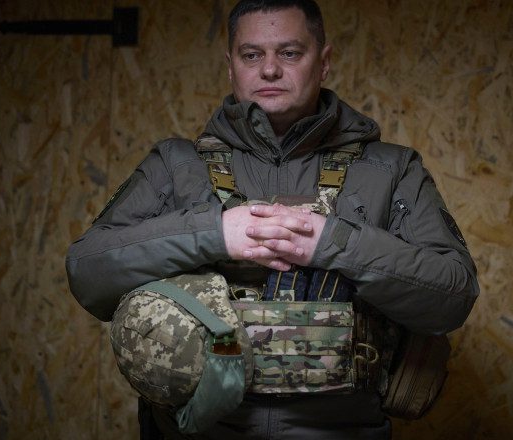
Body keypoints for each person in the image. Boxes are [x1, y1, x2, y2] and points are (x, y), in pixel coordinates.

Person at [66, 0, 479, 438]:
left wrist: (334, 242)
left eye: (289, 52)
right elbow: (87, 273)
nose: (269, 70)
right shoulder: (174, 164)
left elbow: (453, 296)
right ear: (230, 67)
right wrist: (213, 232)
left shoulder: (391, 169)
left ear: (323, 62)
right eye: (251, 55)